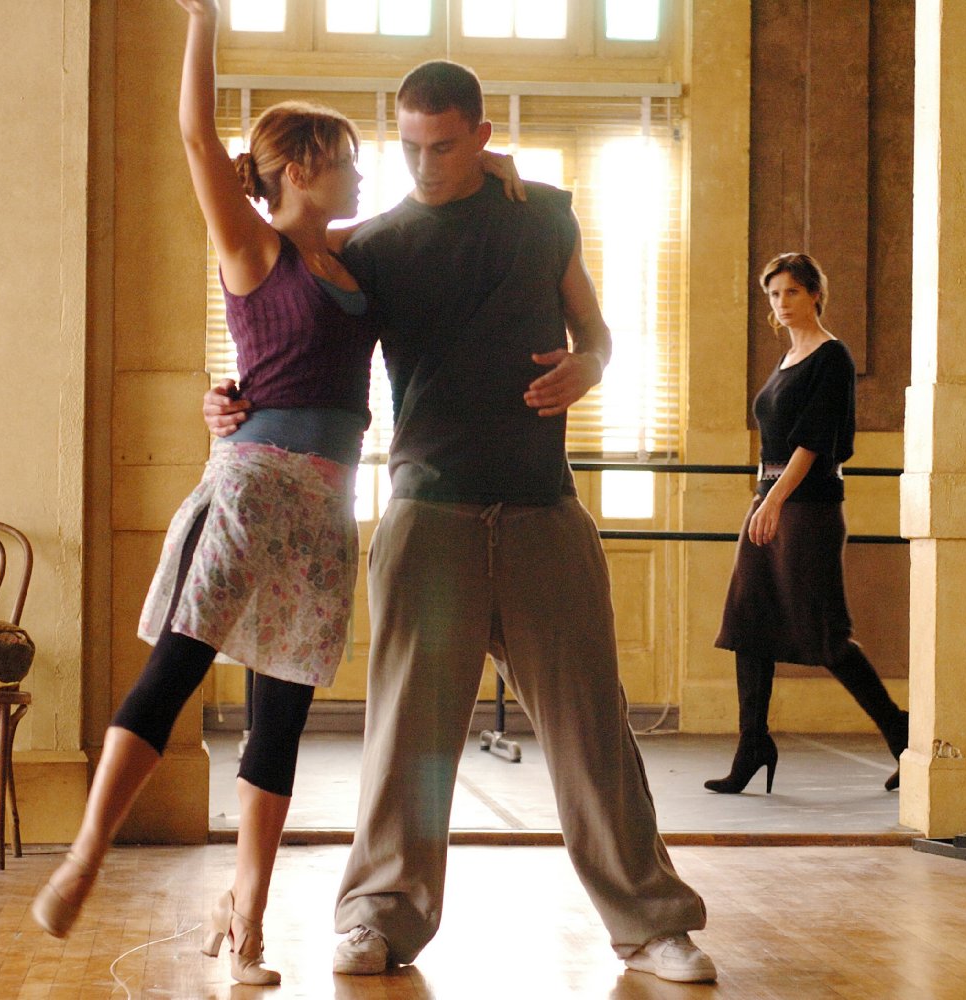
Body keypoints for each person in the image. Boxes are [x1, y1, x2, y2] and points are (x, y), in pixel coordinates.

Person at [204, 61, 717, 985]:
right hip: (427, 511)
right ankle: (377, 919)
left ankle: (652, 925)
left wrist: (591, 366)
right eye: (408, 147)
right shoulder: (373, 245)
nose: (423, 165)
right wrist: (227, 398)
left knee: (592, 731)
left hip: (542, 508)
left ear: (481, 137)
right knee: (409, 737)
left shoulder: (543, 214)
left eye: (443, 147)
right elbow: (280, 296)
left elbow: (598, 332)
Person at [29, 1, 380, 985]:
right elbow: (195, 135)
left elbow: (430, 217)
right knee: (176, 669)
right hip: (251, 491)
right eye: (346, 158)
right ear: (298, 167)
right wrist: (204, 24)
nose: (359, 172)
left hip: (324, 511)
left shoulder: (352, 260)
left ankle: (248, 920)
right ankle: (87, 852)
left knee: (280, 717)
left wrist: (507, 171)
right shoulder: (254, 248)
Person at [707, 252, 908, 796]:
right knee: (748, 623)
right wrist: (763, 498)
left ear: (815, 293)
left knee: (825, 634)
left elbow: (815, 441)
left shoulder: (831, 357)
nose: (782, 303)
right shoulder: (788, 358)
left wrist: (774, 500)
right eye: (774, 294)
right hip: (770, 502)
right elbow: (774, 440)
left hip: (807, 508)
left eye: (792, 291)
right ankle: (753, 743)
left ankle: (902, 733)